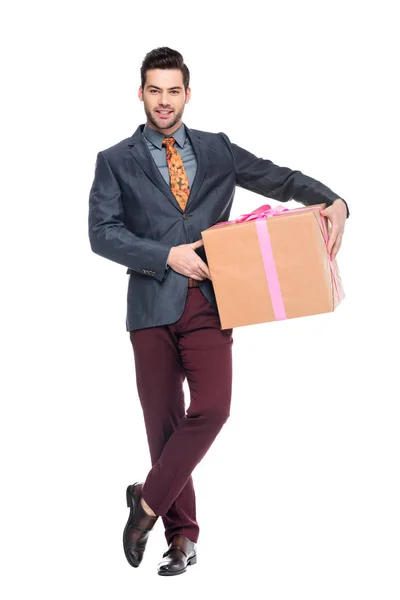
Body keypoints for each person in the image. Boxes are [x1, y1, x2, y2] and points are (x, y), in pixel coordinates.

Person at [88, 46, 350, 577]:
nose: (164, 101)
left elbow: (278, 178)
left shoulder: (217, 149)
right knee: (162, 424)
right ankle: (182, 538)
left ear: (188, 93)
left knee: (213, 407)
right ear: (141, 94)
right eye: (154, 90)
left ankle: (144, 503)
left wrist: (335, 200)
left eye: (174, 90)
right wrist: (165, 255)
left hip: (212, 301)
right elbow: (102, 233)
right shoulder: (115, 159)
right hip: (150, 304)